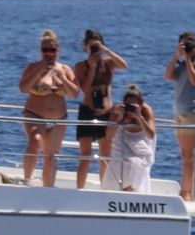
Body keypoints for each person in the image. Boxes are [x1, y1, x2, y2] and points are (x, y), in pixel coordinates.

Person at [18, 29, 79, 187]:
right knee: (35, 141)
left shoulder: (64, 69)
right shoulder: (32, 67)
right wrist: (39, 70)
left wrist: (63, 78)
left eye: (52, 50)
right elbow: (23, 88)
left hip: (59, 119)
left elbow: (75, 93)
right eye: (45, 50)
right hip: (34, 114)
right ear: (41, 51)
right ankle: (27, 180)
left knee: (51, 156)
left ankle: (48, 188)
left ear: (58, 51)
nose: (48, 53)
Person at [72, 29, 128, 189]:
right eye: (92, 47)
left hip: (107, 112)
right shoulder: (80, 66)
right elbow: (85, 90)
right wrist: (92, 67)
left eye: (97, 46)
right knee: (85, 156)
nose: (95, 50)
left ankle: (105, 188)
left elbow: (124, 65)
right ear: (86, 48)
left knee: (105, 156)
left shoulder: (109, 63)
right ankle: (80, 189)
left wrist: (106, 51)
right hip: (88, 111)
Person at [162, 30, 195, 200]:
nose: (185, 49)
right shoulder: (182, 63)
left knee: (189, 156)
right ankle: (188, 190)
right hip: (180, 114)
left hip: (192, 113)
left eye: (187, 45)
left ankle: (187, 193)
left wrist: (189, 60)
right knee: (185, 155)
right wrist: (177, 56)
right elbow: (167, 76)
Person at [103, 84, 157, 192]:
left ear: (141, 106)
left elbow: (151, 135)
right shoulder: (118, 110)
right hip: (121, 147)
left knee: (133, 163)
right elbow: (109, 136)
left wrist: (140, 118)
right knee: (125, 163)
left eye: (134, 106)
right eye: (128, 106)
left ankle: (129, 192)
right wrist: (119, 118)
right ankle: (125, 191)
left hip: (141, 148)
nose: (131, 109)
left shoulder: (146, 112)